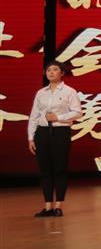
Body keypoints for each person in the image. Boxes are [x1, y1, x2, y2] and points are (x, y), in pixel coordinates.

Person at [27, 60, 82, 217]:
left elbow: (78, 112)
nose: (51, 72)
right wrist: (31, 137)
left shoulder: (69, 91)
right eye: (48, 70)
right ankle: (47, 206)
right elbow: (34, 116)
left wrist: (58, 117)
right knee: (44, 170)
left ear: (62, 73)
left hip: (60, 132)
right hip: (42, 133)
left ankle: (58, 205)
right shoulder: (41, 93)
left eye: (55, 69)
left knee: (59, 169)